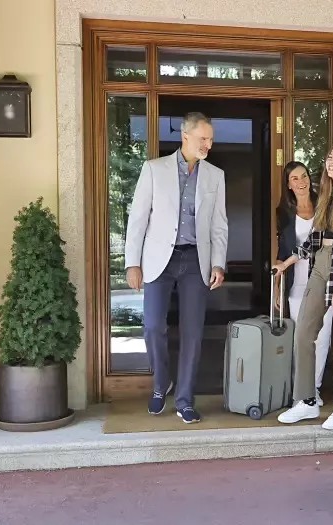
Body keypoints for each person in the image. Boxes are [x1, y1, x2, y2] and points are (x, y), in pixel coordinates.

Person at [124, 112, 228, 423]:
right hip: (159, 261)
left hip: (196, 260)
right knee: (153, 326)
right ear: (185, 136)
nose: (208, 144)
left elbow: (219, 225)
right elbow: (138, 218)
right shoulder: (154, 169)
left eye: (210, 139)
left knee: (193, 334)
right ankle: (161, 384)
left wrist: (219, 263)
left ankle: (184, 399)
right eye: (203, 138)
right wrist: (133, 263)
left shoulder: (215, 175)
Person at [273, 143, 333, 431]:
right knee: (304, 331)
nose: (331, 163)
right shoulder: (328, 196)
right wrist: (287, 263)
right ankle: (306, 401)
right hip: (321, 265)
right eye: (329, 158)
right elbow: (314, 239)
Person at [275, 161, 333, 407]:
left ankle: (315, 389)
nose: (301, 182)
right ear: (288, 185)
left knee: (323, 337)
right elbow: (281, 251)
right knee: (302, 339)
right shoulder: (284, 212)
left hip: (323, 279)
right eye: (295, 179)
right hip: (297, 282)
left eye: (304, 176)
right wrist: (278, 289)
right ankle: (302, 391)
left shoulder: (325, 205)